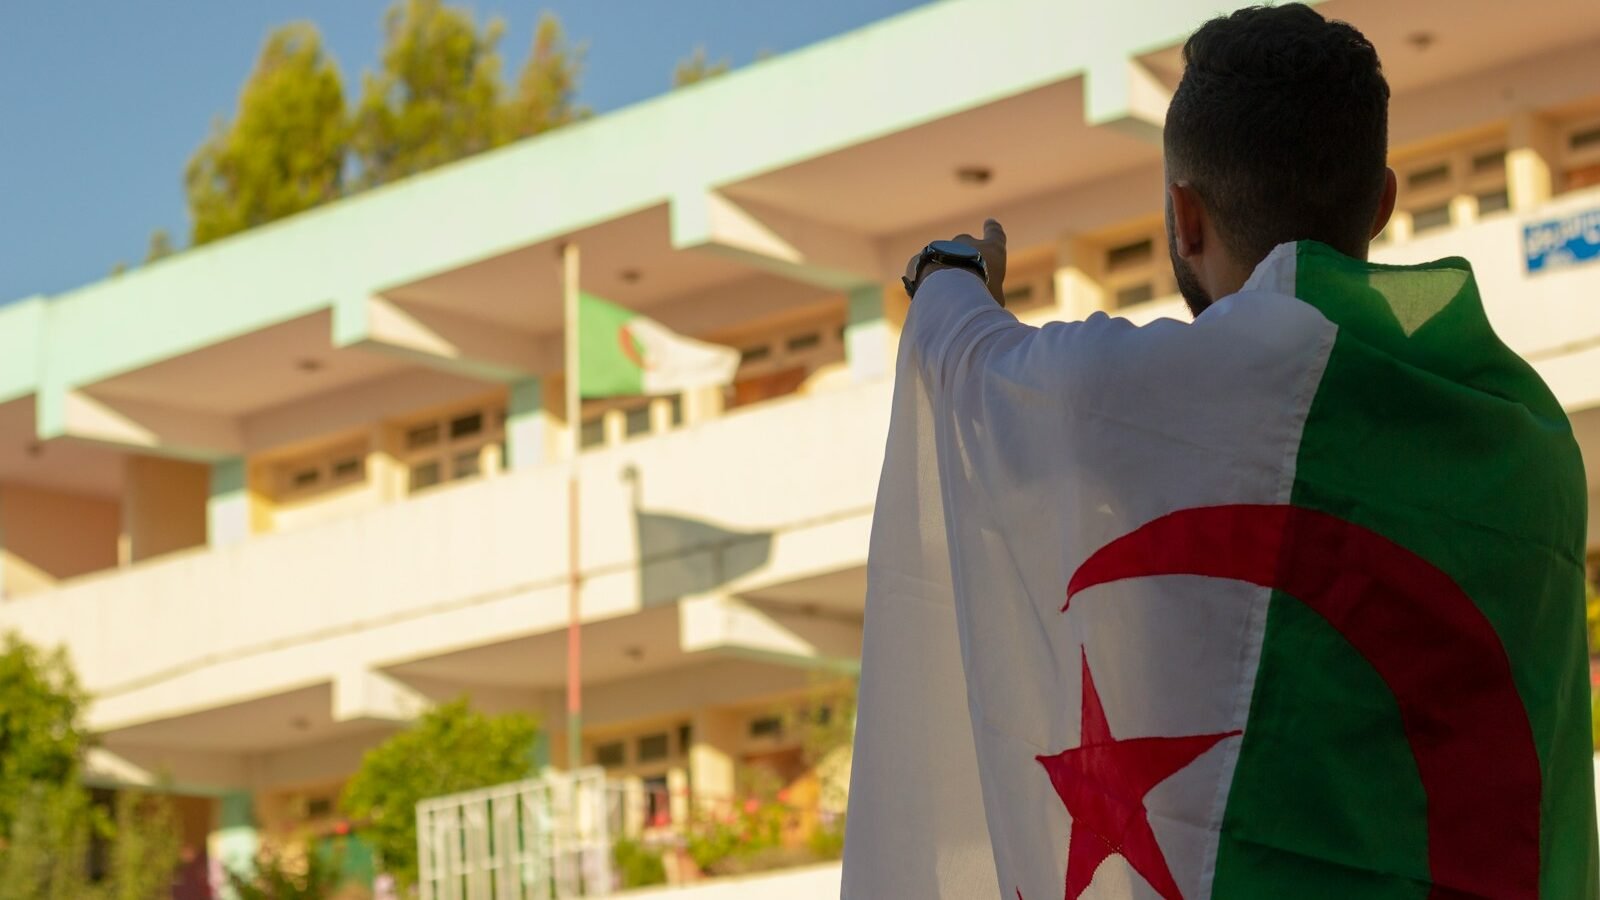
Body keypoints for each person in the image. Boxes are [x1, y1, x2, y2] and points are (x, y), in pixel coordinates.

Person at [843, 5, 1599, 899]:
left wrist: (946, 273)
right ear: (1384, 202)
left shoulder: (1155, 399)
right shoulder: (1527, 434)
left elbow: (978, 369)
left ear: (1183, 214)